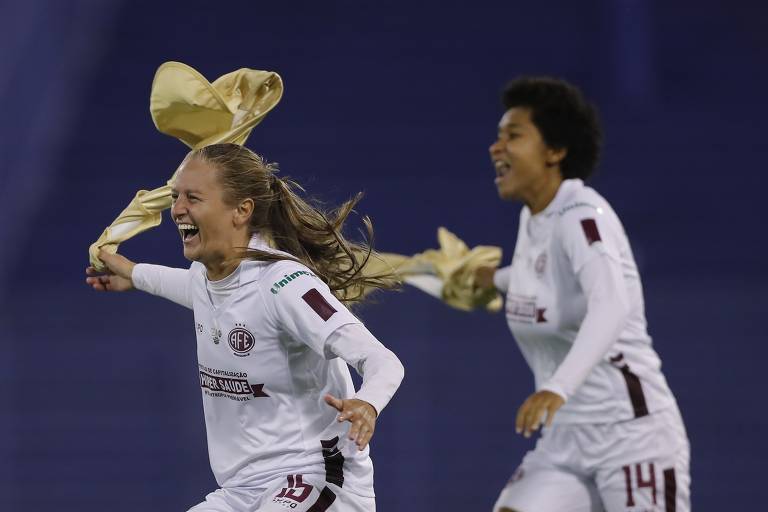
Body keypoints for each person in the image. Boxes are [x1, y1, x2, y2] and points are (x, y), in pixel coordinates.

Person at [86, 143, 405, 512]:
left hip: (318, 479)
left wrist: (368, 403)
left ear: (241, 211)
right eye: (175, 197)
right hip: (241, 491)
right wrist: (133, 274)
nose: (177, 210)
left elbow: (383, 360)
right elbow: (186, 287)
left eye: (193, 198)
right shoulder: (205, 279)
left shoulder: (284, 284)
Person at [474, 77, 690, 512]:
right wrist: (489, 280)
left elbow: (612, 304)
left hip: (632, 436)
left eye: (513, 136)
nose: (496, 148)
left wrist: (556, 387)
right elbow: (548, 277)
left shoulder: (581, 215)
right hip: (565, 439)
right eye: (498, 137)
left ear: (555, 151)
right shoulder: (535, 218)